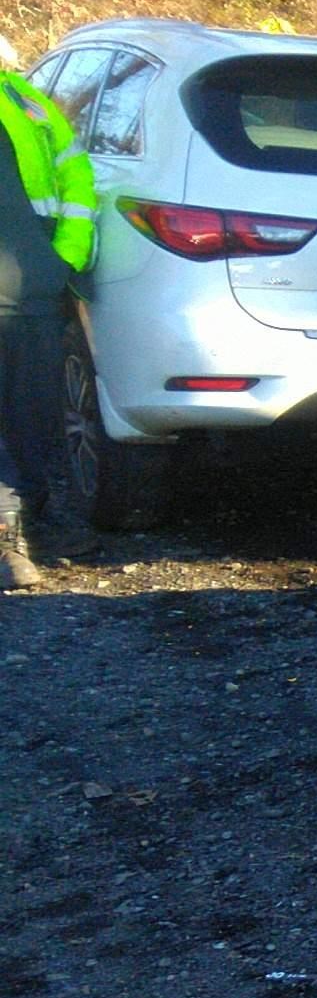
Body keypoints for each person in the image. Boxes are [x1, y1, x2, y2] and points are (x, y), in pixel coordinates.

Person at [0, 33, 98, 588]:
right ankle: (9, 539)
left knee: (33, 413)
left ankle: (31, 519)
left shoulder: (24, 98)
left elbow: (77, 174)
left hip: (33, 290)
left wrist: (65, 257)